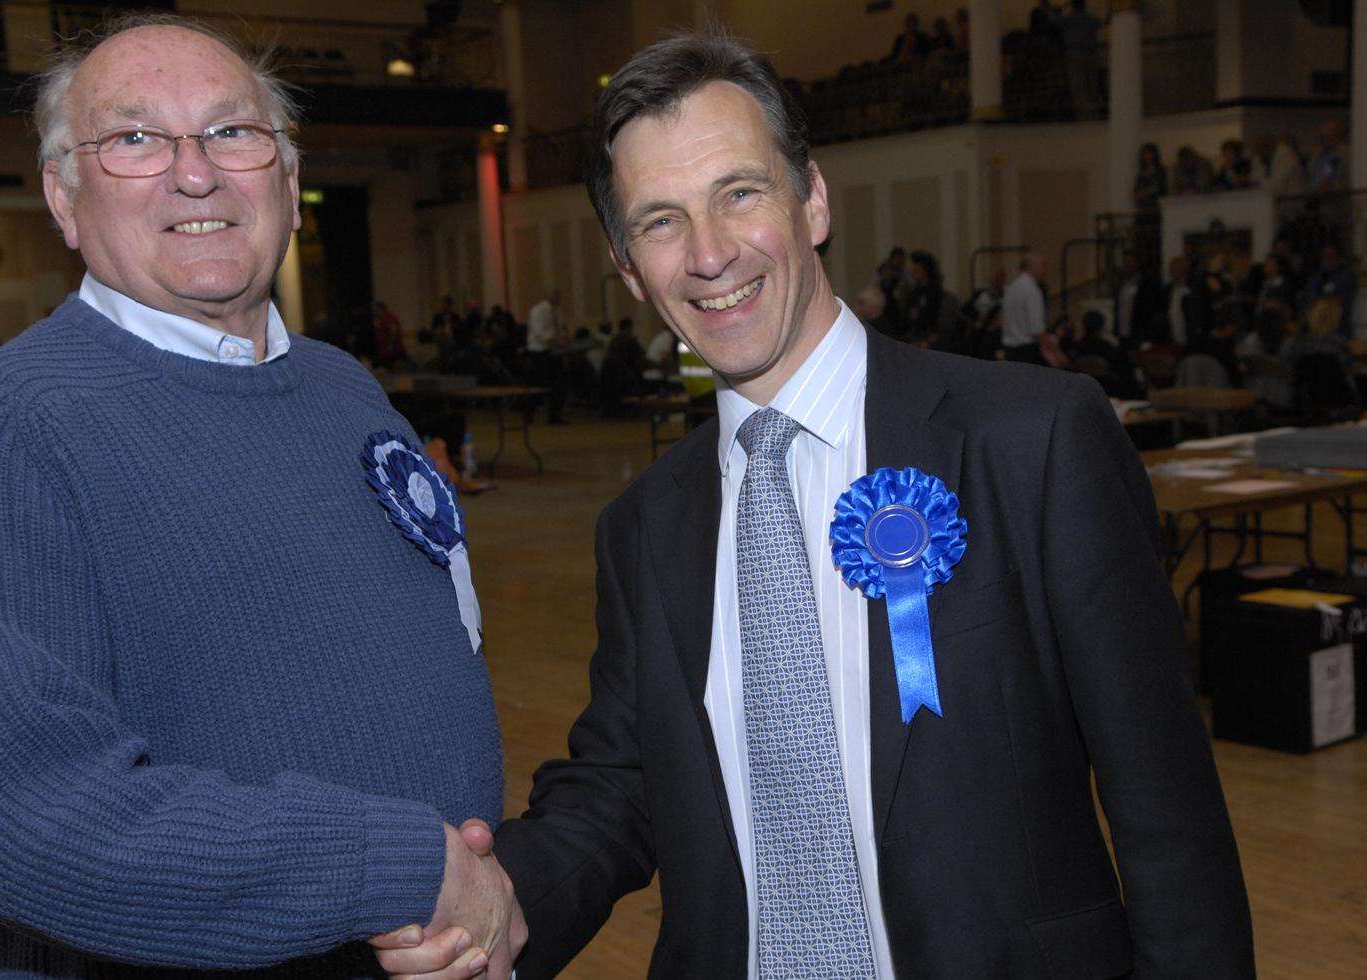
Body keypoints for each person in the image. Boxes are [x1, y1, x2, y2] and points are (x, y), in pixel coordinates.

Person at [390, 30, 1253, 980]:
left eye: (740, 193)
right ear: (630, 268)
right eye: (662, 221)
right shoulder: (641, 527)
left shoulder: (1032, 441)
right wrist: (501, 908)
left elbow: (1168, 817)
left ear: (813, 198)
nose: (711, 254)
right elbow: (624, 786)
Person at [0, 15, 522, 978]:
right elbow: (20, 816)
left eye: (232, 132)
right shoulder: (17, 417)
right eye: (133, 140)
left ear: (287, 179)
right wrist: (395, 866)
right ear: (64, 199)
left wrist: (464, 895)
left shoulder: (345, 389)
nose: (193, 172)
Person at [526, 288, 569, 423]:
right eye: (557, 295)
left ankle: (554, 416)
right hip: (540, 351)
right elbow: (538, 332)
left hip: (553, 351)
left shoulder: (556, 311)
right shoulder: (538, 310)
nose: (559, 298)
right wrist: (556, 340)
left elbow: (561, 328)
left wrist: (564, 337)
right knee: (538, 384)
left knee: (558, 384)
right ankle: (529, 414)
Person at [1001, 252, 1046, 361]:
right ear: (1032, 267)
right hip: (1025, 350)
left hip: (1009, 348)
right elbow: (1036, 328)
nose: (1044, 270)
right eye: (1042, 266)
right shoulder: (1032, 290)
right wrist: (1055, 352)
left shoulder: (1011, 287)